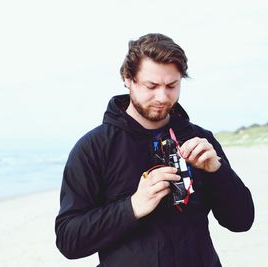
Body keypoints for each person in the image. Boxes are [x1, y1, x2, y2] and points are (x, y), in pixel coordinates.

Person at [55, 33, 254, 267]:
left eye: (172, 85)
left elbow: (241, 221)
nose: (162, 97)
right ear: (127, 78)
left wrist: (217, 172)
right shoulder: (93, 148)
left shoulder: (200, 140)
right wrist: (132, 207)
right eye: (151, 86)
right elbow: (69, 240)